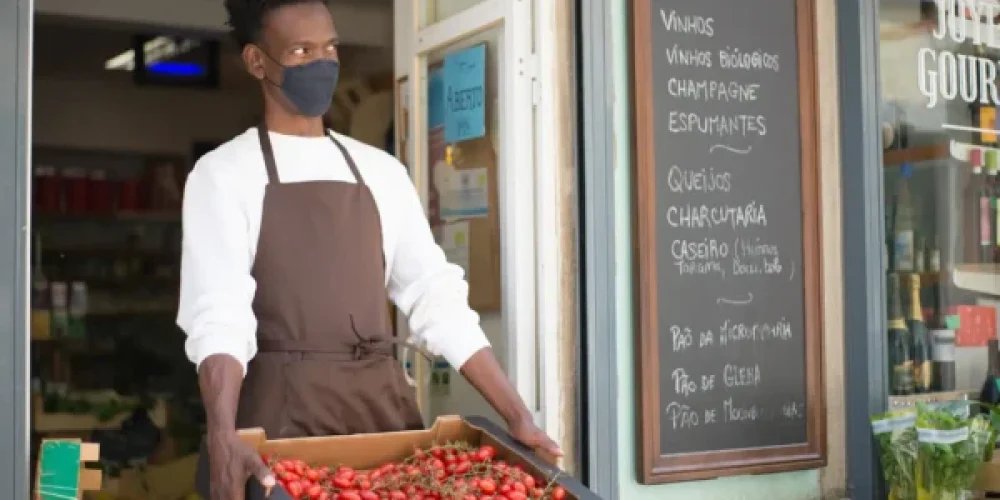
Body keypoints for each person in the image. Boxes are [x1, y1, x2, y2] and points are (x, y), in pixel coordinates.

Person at [177, 0, 561, 498]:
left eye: (330, 47)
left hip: (382, 418)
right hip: (281, 422)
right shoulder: (223, 173)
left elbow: (434, 297)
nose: (322, 62)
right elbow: (219, 316)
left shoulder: (380, 171)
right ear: (256, 62)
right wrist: (223, 436)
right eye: (301, 50)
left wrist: (517, 416)